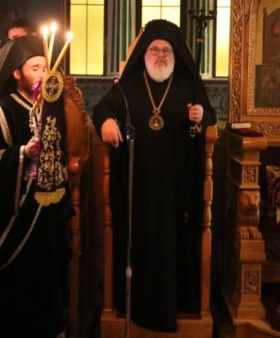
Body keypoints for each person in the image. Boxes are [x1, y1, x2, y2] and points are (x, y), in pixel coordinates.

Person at [92, 19, 217, 332]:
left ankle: (173, 306)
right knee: (140, 246)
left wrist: (201, 116)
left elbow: (210, 115)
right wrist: (107, 122)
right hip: (137, 186)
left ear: (175, 55)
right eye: (154, 50)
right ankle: (135, 306)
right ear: (143, 54)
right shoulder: (129, 86)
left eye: (166, 50)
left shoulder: (188, 85)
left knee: (172, 246)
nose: (160, 55)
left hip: (177, 187)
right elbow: (102, 109)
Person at [0, 35, 76, 337]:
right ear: (16, 73)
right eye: (34, 68)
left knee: (49, 279)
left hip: (47, 214)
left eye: (45, 68)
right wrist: (22, 153)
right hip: (16, 218)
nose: (42, 74)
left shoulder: (52, 108)